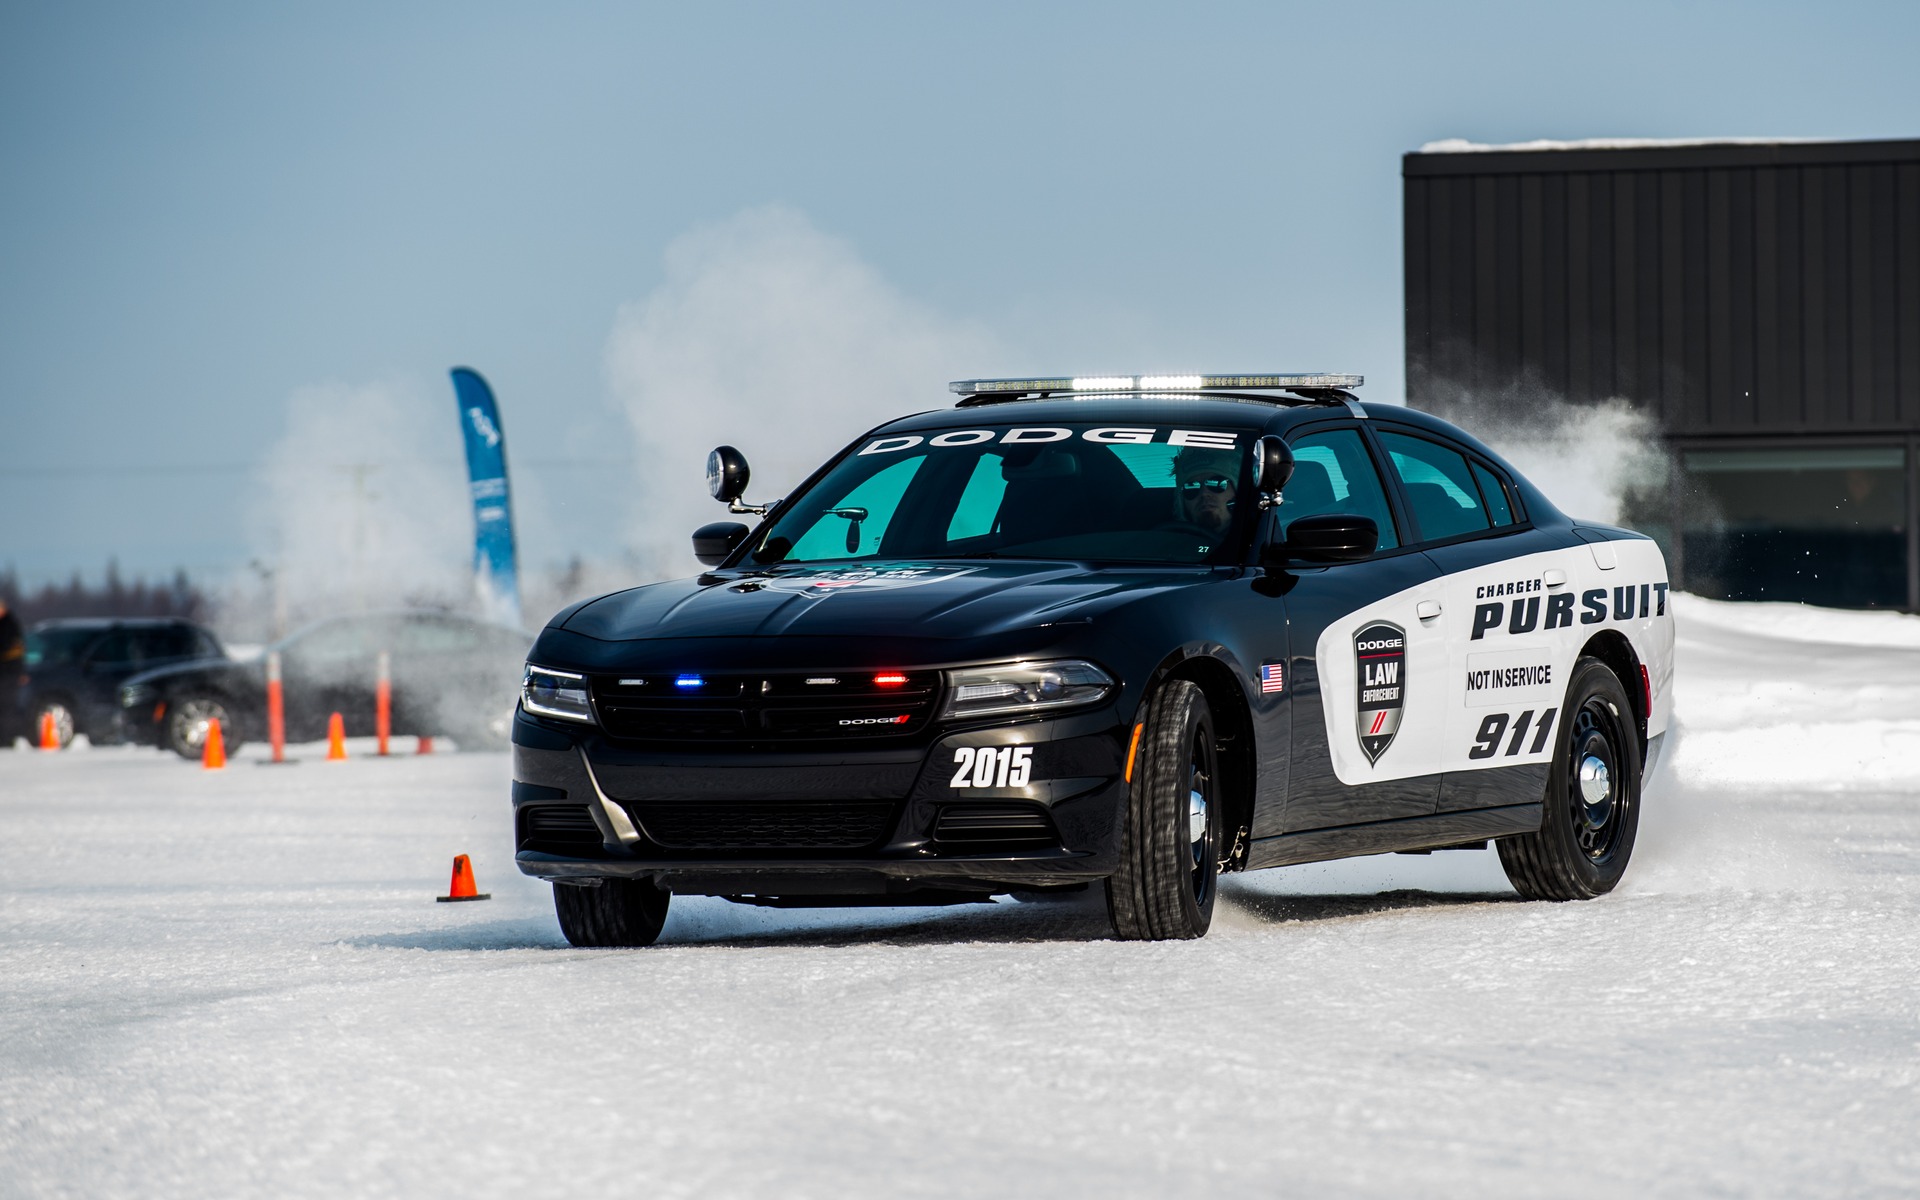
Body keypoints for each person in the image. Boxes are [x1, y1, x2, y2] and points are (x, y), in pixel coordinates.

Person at [1171, 446, 1242, 539]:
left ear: (1236, 491)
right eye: (1191, 488)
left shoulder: (1261, 535)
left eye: (1217, 484)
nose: (1204, 493)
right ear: (1182, 502)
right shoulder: (1170, 545)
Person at [0, 600, 23, 747]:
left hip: (9, 673)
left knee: (7, 708)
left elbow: (14, 651)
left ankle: (7, 739)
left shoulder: (9, 626)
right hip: (6, 672)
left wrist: (19, 672)